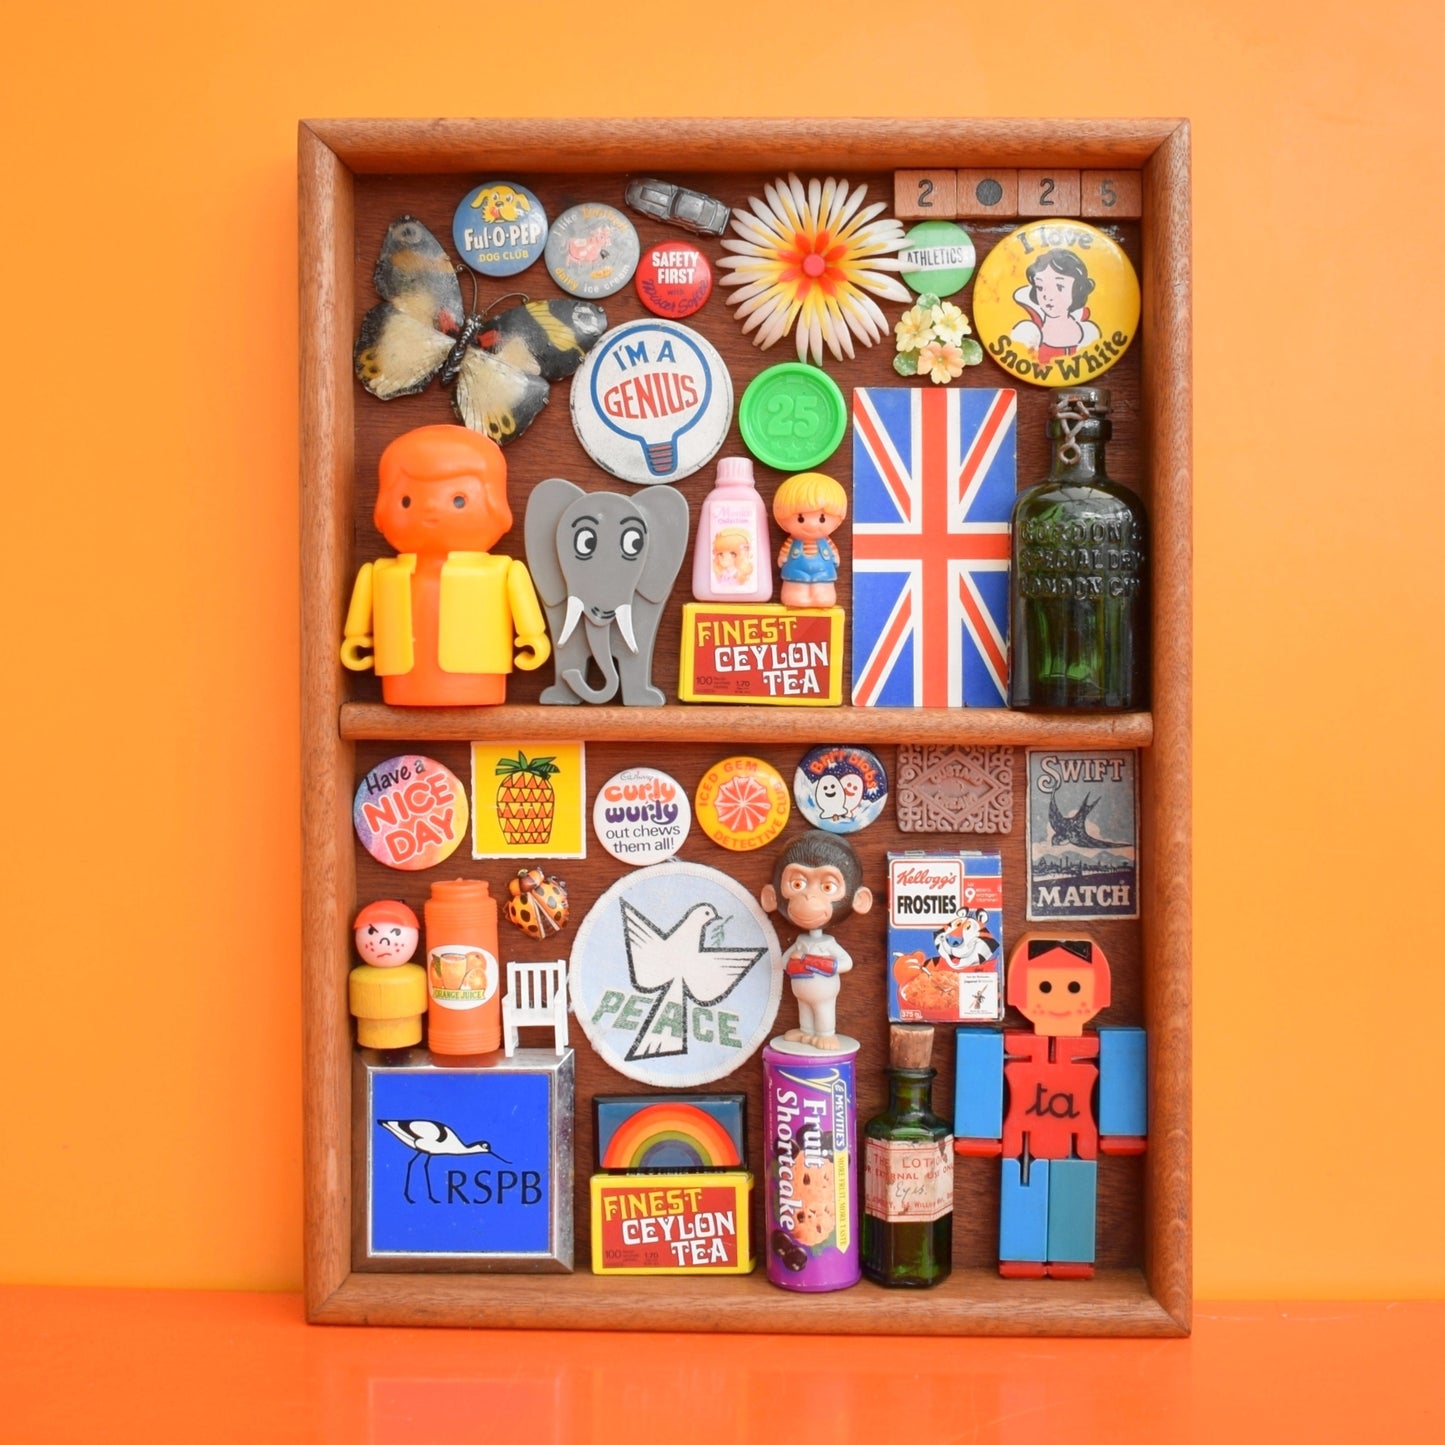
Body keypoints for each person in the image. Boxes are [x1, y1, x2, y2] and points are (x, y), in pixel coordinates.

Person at [1010, 248, 1099, 362]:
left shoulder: (1089, 333)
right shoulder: (1028, 333)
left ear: (1077, 289)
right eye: (1040, 287)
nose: (1048, 296)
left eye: (1059, 287)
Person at [773, 472, 847, 608]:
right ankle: (795, 596)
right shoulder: (792, 542)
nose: (812, 525)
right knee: (796, 587)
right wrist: (783, 557)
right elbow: (785, 552)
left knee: (823, 589)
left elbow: (833, 552)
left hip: (823, 572)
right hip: (796, 571)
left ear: (838, 521)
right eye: (800, 519)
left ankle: (822, 596)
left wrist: (835, 556)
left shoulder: (826, 542)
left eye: (822, 519)